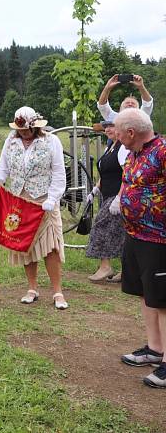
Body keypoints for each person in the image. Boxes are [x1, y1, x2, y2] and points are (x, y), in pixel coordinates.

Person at [0, 106, 68, 309]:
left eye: (27, 130)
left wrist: (53, 197)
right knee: (25, 246)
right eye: (20, 130)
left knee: (51, 246)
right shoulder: (11, 141)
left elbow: (58, 173)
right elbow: (3, 169)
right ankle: (32, 288)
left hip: (44, 201)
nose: (23, 133)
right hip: (20, 200)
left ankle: (57, 292)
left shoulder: (51, 141)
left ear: (36, 127)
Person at [112, 108, 166, 389]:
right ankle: (155, 350)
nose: (117, 138)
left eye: (119, 133)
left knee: (164, 300)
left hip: (159, 240)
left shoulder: (162, 151)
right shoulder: (134, 154)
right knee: (146, 294)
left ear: (131, 132)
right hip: (135, 235)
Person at [84, 121, 129, 283]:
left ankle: (105, 266)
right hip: (106, 195)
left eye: (112, 126)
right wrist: (95, 190)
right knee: (121, 233)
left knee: (100, 227)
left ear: (120, 129)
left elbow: (128, 175)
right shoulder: (110, 147)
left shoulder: (123, 148)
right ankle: (127, 271)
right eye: (106, 127)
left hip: (118, 197)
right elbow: (105, 174)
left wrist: (119, 198)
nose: (108, 129)